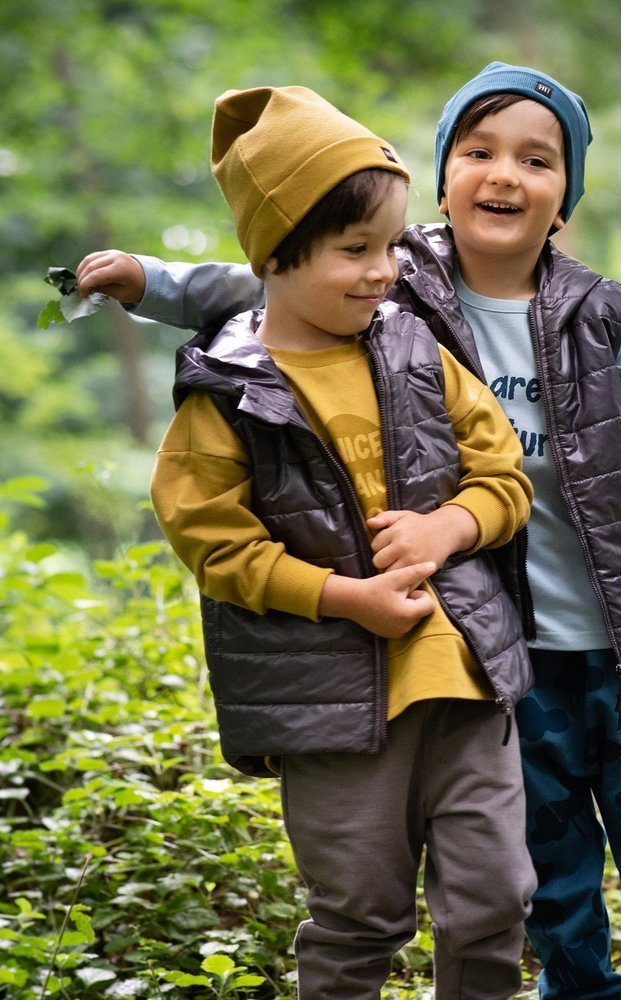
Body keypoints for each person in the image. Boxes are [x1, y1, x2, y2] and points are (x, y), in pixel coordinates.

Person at [77, 63, 621, 999]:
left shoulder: (593, 313)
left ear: (567, 197)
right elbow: (266, 277)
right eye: (478, 151)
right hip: (503, 644)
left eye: (537, 159)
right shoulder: (399, 291)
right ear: (443, 179)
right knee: (543, 859)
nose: (504, 174)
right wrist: (148, 279)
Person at [130, 83, 538, 1000]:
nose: (384, 270)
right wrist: (345, 598)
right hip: (329, 709)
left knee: (494, 900)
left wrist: (447, 526)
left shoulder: (416, 351)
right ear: (274, 254)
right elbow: (216, 546)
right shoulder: (228, 393)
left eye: (390, 246)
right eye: (355, 249)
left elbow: (505, 475)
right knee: (359, 915)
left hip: (464, 681)